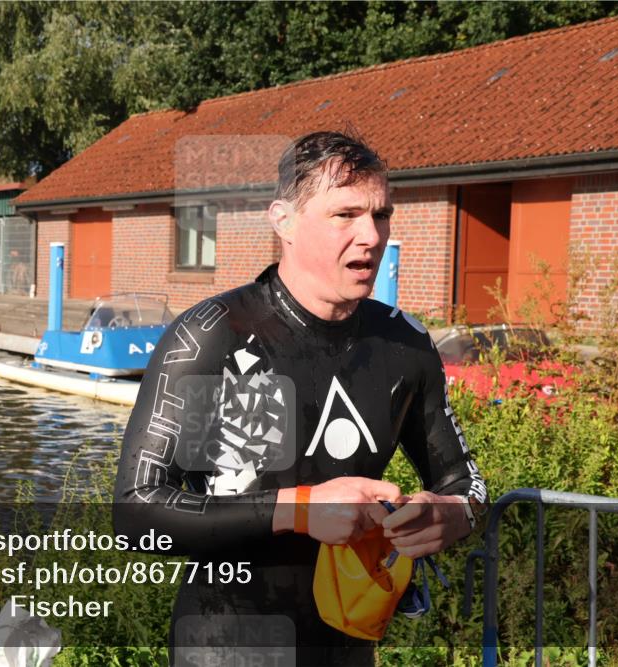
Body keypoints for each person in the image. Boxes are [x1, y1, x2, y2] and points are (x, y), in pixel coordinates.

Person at [113, 130, 488, 666]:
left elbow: (467, 484)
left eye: (381, 215)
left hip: (348, 645)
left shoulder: (404, 344)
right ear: (283, 220)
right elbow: (136, 514)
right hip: (226, 646)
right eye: (346, 215)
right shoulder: (214, 336)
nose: (371, 236)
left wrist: (448, 514)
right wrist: (299, 509)